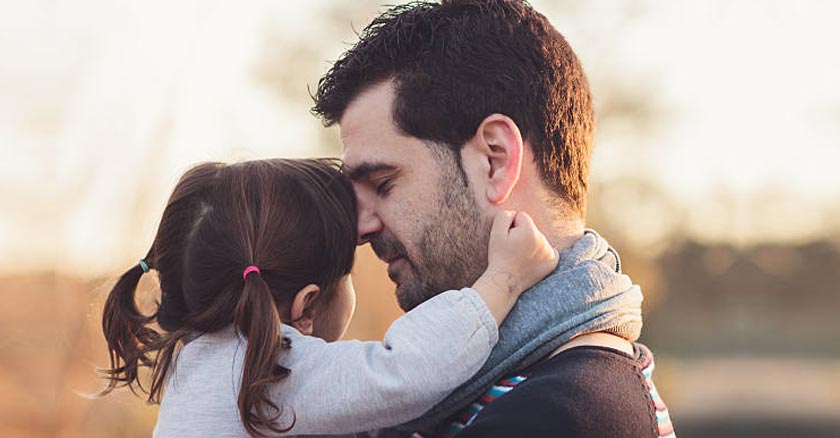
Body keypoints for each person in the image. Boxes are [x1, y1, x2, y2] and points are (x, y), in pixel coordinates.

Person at [311, 1, 675, 436]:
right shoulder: (482, 393)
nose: (361, 228)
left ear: (495, 160)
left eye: (384, 183)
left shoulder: (568, 415)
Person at [98, 158, 558, 437]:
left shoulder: (196, 361)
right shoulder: (270, 369)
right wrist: (504, 279)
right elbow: (410, 370)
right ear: (307, 305)